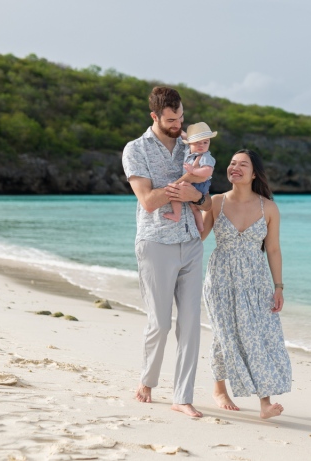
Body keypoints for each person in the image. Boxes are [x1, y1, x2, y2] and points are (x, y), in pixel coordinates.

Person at [121, 86, 212, 418]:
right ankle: (147, 380)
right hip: (155, 241)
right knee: (159, 323)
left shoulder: (195, 145)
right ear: (155, 116)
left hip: (191, 242)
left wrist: (193, 196)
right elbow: (146, 201)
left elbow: (205, 198)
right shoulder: (136, 149)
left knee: (190, 324)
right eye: (172, 119)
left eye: (182, 117)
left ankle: (182, 396)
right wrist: (178, 190)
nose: (179, 124)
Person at [201, 149, 292, 419]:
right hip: (219, 280)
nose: (235, 167)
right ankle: (219, 390)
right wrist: (194, 204)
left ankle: (265, 402)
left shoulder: (269, 207)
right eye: (232, 163)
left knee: (258, 336)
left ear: (254, 173)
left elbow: (273, 250)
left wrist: (279, 287)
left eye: (243, 164)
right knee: (223, 334)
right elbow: (198, 237)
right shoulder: (216, 202)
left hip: (256, 282)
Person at [163, 122, 217, 233]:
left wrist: (194, 170)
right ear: (190, 144)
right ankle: (201, 227)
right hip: (194, 182)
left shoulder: (205, 156)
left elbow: (208, 170)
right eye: (197, 143)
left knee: (176, 192)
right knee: (194, 207)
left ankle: (176, 215)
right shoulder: (190, 151)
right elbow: (184, 136)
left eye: (205, 142)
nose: (201, 145)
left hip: (199, 184)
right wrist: (177, 130)